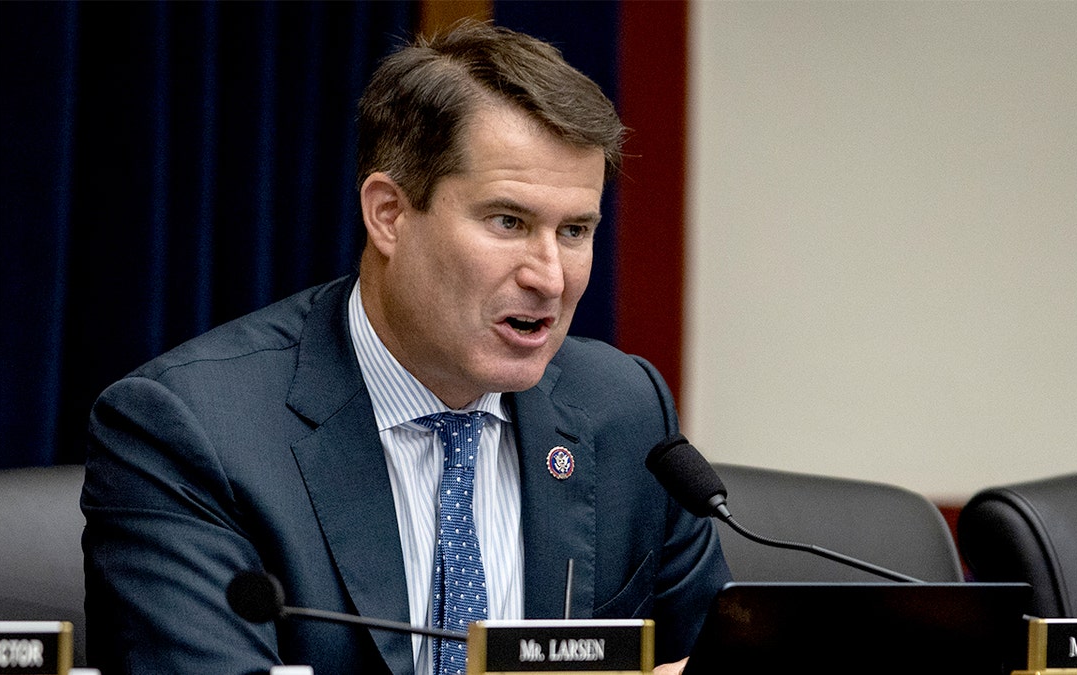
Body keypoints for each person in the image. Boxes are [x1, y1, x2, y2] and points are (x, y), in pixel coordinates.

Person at [81, 20, 729, 675]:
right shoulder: (192, 430)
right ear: (389, 213)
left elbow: (710, 654)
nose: (549, 276)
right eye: (509, 222)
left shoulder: (623, 413)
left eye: (574, 230)